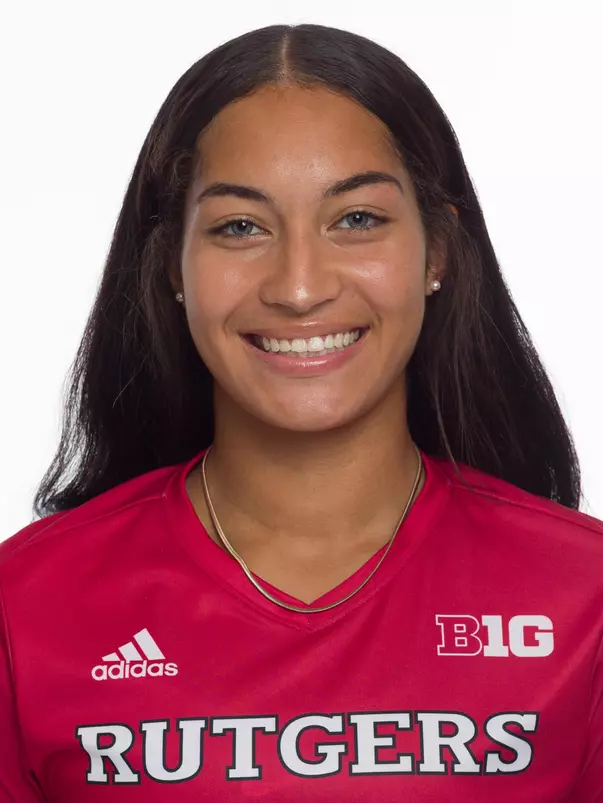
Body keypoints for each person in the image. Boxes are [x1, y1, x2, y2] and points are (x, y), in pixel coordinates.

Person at [0, 22, 601, 802]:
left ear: (437, 252)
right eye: (239, 227)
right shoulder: (26, 602)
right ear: (173, 265)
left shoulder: (583, 595)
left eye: (356, 219)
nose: (298, 286)